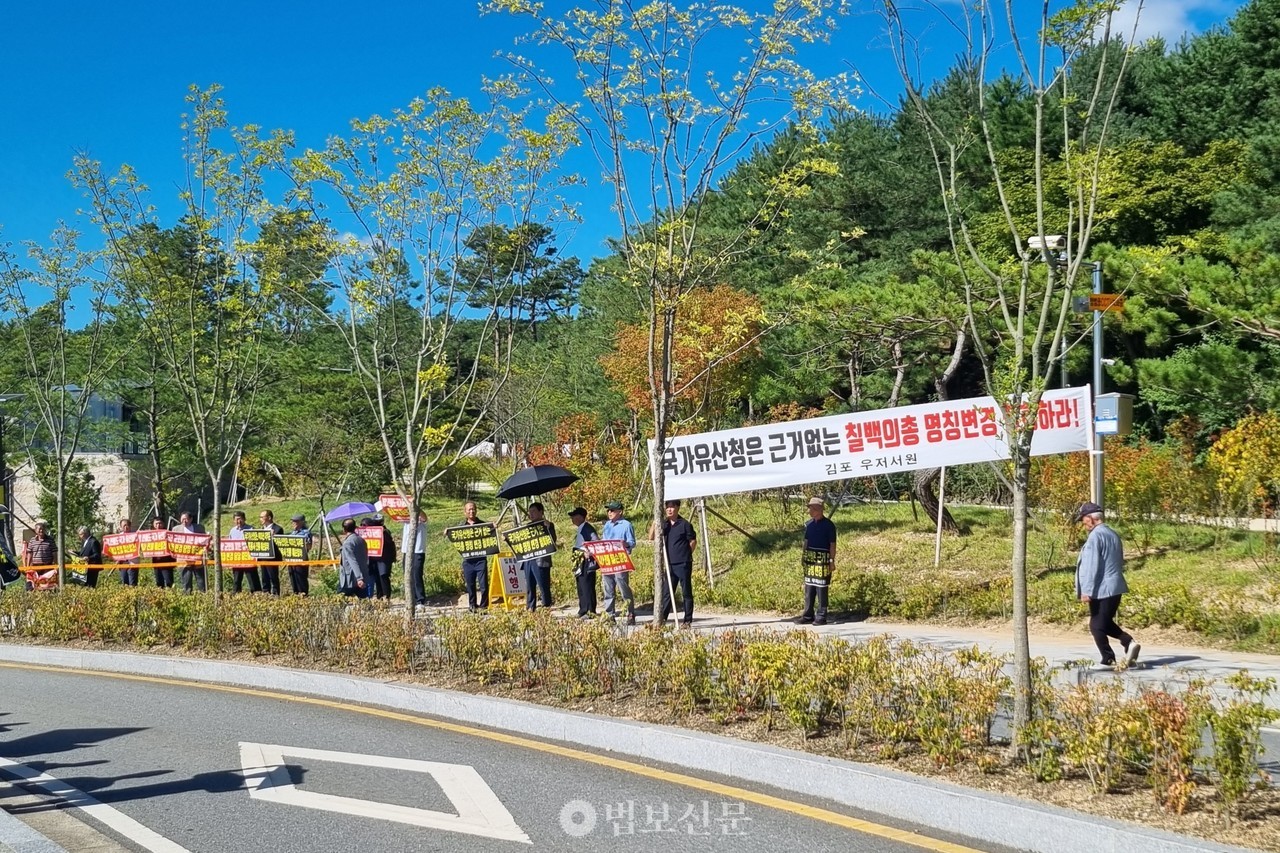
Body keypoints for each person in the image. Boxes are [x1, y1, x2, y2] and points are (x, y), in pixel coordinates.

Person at [1076, 501, 1140, 668]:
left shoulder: (1095, 537)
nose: (1083, 523)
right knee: (1103, 623)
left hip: (1101, 588)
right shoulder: (1113, 534)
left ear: (1091, 518)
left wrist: (1086, 590)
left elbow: (1091, 565)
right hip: (1116, 586)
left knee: (1096, 626)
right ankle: (1128, 643)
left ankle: (1108, 659)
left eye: (1083, 519)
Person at [655, 499, 697, 627]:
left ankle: (687, 620)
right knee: (667, 593)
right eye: (667, 507)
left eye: (672, 507)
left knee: (686, 592)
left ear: (677, 508)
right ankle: (662, 620)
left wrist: (686, 553)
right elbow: (651, 537)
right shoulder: (665, 524)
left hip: (683, 563)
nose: (669, 509)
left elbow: (693, 541)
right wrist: (655, 522)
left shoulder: (684, 524)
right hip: (669, 565)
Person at [798, 496, 836, 626]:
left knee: (821, 588)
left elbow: (832, 544)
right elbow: (806, 541)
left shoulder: (829, 525)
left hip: (823, 559)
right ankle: (808, 615)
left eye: (812, 508)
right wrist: (803, 556)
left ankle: (821, 616)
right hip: (810, 558)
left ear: (819, 510)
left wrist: (831, 560)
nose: (809, 511)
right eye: (809, 508)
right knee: (809, 588)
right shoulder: (808, 525)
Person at [600, 500, 637, 625]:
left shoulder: (627, 525)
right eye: (608, 510)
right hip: (607, 560)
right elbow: (603, 540)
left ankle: (630, 614)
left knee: (623, 588)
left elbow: (632, 542)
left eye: (612, 510)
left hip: (620, 559)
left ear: (620, 512)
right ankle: (610, 615)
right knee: (608, 588)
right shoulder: (607, 525)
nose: (609, 512)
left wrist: (624, 543)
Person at [521, 502, 556, 612]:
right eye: (529, 512)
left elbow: (553, 541)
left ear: (541, 512)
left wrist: (548, 527)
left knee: (543, 585)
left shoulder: (548, 525)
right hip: (528, 560)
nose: (531, 514)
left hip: (541, 560)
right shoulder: (527, 526)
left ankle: (546, 606)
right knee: (529, 586)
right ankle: (530, 607)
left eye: (534, 511)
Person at [458, 501, 489, 612]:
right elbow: (454, 536)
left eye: (473, 509)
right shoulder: (461, 527)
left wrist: (493, 527)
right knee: (470, 586)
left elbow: (490, 536)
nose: (471, 511)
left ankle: (484, 606)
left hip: (481, 560)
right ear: (465, 512)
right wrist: (447, 531)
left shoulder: (482, 524)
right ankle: (472, 605)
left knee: (484, 585)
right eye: (469, 509)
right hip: (468, 561)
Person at [568, 507, 599, 617]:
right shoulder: (581, 528)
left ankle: (590, 610)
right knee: (580, 585)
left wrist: (589, 552)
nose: (572, 518)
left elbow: (595, 541)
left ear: (581, 517)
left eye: (574, 516)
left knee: (587, 585)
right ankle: (583, 609)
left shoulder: (587, 528)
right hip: (578, 558)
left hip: (586, 560)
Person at [228, 511, 261, 593]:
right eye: (236, 519)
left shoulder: (251, 529)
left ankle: (257, 594)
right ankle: (236, 595)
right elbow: (230, 544)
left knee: (252, 579)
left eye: (240, 519)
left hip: (248, 558)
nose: (238, 521)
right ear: (233, 520)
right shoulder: (232, 531)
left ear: (244, 519)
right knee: (236, 579)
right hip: (237, 559)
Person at [175, 511, 207, 593]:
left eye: (186, 519)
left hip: (197, 558)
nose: (184, 521)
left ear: (191, 519)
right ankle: (188, 597)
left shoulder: (199, 528)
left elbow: (204, 540)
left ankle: (204, 597)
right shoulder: (176, 529)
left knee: (201, 581)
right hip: (183, 559)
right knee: (186, 581)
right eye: (182, 519)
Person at [338, 518, 369, 598]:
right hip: (363, 574)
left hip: (349, 578)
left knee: (340, 600)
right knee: (363, 601)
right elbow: (366, 557)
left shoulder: (348, 543)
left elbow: (352, 561)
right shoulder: (361, 540)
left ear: (344, 529)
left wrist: (359, 578)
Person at [403, 510, 428, 607]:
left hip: (418, 551)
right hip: (406, 550)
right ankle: (411, 598)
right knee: (407, 575)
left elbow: (424, 517)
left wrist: (415, 507)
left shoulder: (421, 518)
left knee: (416, 575)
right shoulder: (405, 518)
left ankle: (420, 600)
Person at [367, 515, 396, 600]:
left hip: (384, 558)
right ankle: (379, 596)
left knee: (383, 575)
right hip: (374, 558)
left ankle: (387, 596)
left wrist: (393, 557)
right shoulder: (370, 532)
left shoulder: (385, 532)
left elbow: (391, 544)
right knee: (376, 577)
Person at [257, 510, 285, 596]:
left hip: (272, 557)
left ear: (269, 517)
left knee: (273, 577)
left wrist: (273, 536)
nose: (260, 519)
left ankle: (275, 594)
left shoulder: (278, 529)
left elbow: (280, 543)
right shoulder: (261, 529)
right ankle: (266, 593)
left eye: (262, 517)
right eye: (260, 517)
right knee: (264, 577)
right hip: (263, 557)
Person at [23, 521, 57, 590]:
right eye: (39, 529)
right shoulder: (32, 540)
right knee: (34, 584)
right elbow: (29, 553)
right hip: (35, 566)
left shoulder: (50, 540)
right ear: (36, 530)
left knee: (47, 585)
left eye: (42, 529)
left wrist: (55, 564)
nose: (41, 530)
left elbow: (54, 553)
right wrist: (28, 566)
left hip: (47, 566)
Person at [287, 513, 312, 596]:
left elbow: (309, 546)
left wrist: (306, 543)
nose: (294, 523)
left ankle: (304, 595)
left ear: (302, 522)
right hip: (291, 560)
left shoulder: (306, 533)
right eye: (293, 521)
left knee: (301, 579)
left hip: (301, 560)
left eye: (296, 521)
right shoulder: (292, 533)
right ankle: (296, 594)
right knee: (293, 579)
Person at [150, 517, 175, 588]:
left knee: (169, 582)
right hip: (156, 561)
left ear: (163, 524)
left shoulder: (168, 533)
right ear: (153, 525)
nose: (158, 525)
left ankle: (171, 596)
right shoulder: (150, 535)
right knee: (159, 582)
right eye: (156, 524)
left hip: (167, 561)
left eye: (160, 523)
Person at [117, 518, 139, 587]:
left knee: (132, 584)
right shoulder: (118, 537)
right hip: (122, 563)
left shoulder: (135, 535)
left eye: (127, 525)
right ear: (121, 527)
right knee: (125, 583)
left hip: (132, 562)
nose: (126, 527)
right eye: (124, 526)